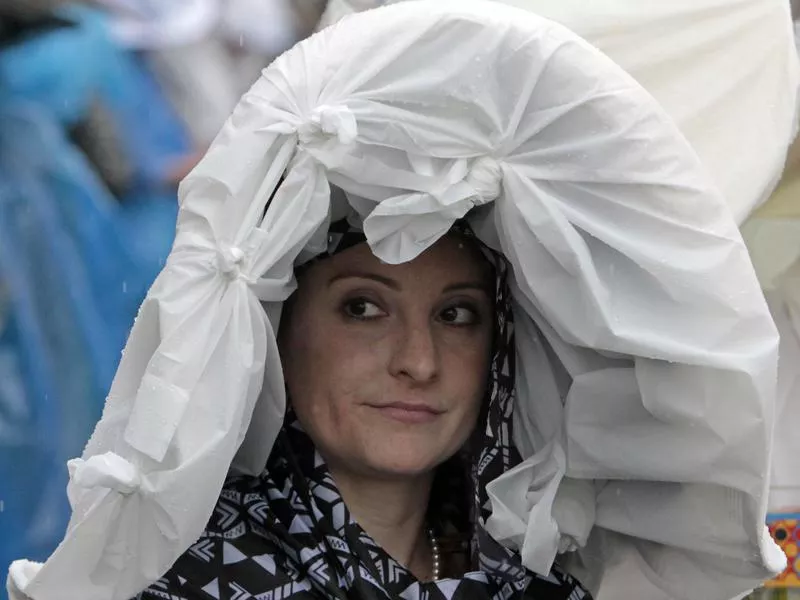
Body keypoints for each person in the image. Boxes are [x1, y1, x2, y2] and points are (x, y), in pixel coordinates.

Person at [7, 2, 785, 600]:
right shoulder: (200, 582)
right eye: (363, 308)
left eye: (457, 315)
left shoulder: (544, 580)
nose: (418, 362)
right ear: (281, 332)